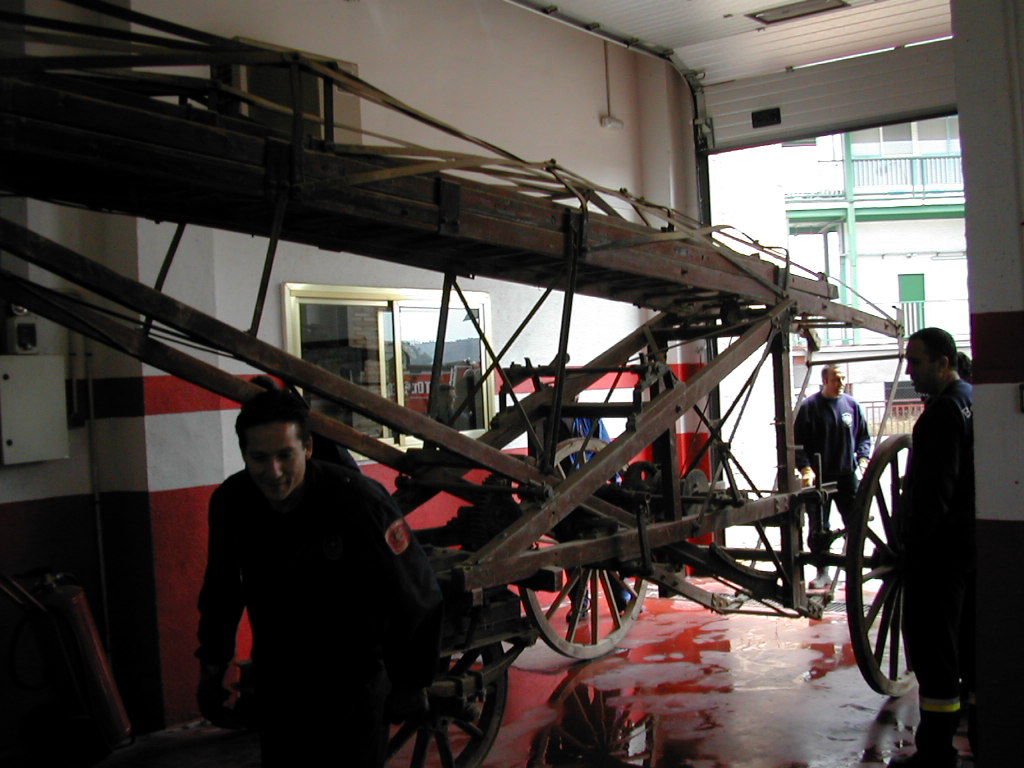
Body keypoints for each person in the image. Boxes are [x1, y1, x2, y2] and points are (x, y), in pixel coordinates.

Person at [195, 388, 443, 766]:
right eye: (259, 458)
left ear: (307, 448)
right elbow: (222, 592)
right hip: (280, 685)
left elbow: (416, 593)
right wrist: (212, 666)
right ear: (244, 454)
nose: (273, 472)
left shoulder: (359, 502)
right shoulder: (232, 503)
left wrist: (412, 681)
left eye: (285, 455)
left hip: (354, 688)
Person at [890, 328, 974, 768]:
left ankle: (937, 753)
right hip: (967, 549)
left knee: (933, 652)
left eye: (917, 362)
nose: (910, 370)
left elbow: (933, 494)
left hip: (938, 557)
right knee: (967, 644)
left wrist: (912, 545)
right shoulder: (972, 400)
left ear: (944, 362)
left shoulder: (943, 413)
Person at [794, 364, 872, 589]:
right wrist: (805, 468)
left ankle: (853, 566)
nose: (841, 384)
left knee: (855, 522)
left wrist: (863, 457)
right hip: (820, 477)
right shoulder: (809, 407)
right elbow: (798, 444)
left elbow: (863, 437)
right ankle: (822, 572)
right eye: (836, 379)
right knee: (819, 526)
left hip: (847, 475)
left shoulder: (852, 405)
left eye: (843, 379)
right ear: (825, 381)